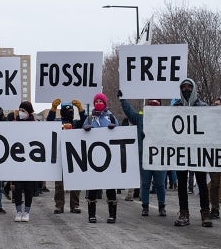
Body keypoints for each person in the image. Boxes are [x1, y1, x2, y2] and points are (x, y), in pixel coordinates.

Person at [120, 95, 167, 216]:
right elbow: (129, 111)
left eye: (156, 105)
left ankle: (162, 206)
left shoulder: (165, 119)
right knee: (145, 184)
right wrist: (122, 98)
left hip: (159, 158)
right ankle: (145, 207)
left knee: (160, 184)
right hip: (144, 157)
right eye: (151, 105)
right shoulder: (140, 118)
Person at [173, 79, 212, 227]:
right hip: (180, 152)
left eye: (189, 87)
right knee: (182, 184)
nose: (187, 89)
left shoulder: (203, 107)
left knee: (202, 183)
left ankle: (205, 213)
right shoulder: (175, 107)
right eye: (184, 87)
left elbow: (212, 127)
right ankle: (184, 213)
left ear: (194, 88)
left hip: (198, 152)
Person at [82, 93, 120, 223]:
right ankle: (91, 214)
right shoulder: (89, 118)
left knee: (110, 187)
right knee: (92, 187)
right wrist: (84, 129)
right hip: (93, 159)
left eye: (101, 101)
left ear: (105, 103)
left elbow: (120, 135)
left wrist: (114, 129)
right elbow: (80, 136)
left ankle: (112, 215)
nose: (98, 102)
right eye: (96, 101)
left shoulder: (111, 117)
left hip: (109, 159)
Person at [47, 99, 86, 214]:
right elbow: (48, 123)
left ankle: (75, 205)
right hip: (61, 155)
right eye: (67, 110)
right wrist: (53, 109)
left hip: (74, 157)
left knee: (75, 182)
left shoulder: (76, 124)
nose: (70, 112)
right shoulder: (57, 123)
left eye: (71, 110)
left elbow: (84, 121)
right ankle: (59, 205)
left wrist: (81, 109)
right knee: (59, 183)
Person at [12, 101, 39, 222]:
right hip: (17, 161)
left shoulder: (35, 124)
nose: (21, 113)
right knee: (17, 188)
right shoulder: (14, 123)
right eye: (20, 110)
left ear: (29, 112)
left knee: (29, 189)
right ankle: (18, 211)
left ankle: (27, 212)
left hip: (30, 163)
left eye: (24, 111)